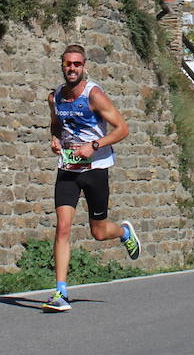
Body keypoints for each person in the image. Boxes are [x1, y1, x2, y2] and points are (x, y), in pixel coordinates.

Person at [42, 43, 138, 312]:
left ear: (84, 66)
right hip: (68, 170)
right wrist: (54, 139)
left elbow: (122, 129)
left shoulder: (93, 95)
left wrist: (94, 145)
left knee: (99, 231)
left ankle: (124, 232)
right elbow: (56, 123)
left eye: (77, 64)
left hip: (95, 170)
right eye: (68, 64)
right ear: (62, 65)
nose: (72, 68)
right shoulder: (55, 98)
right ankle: (60, 292)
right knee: (62, 228)